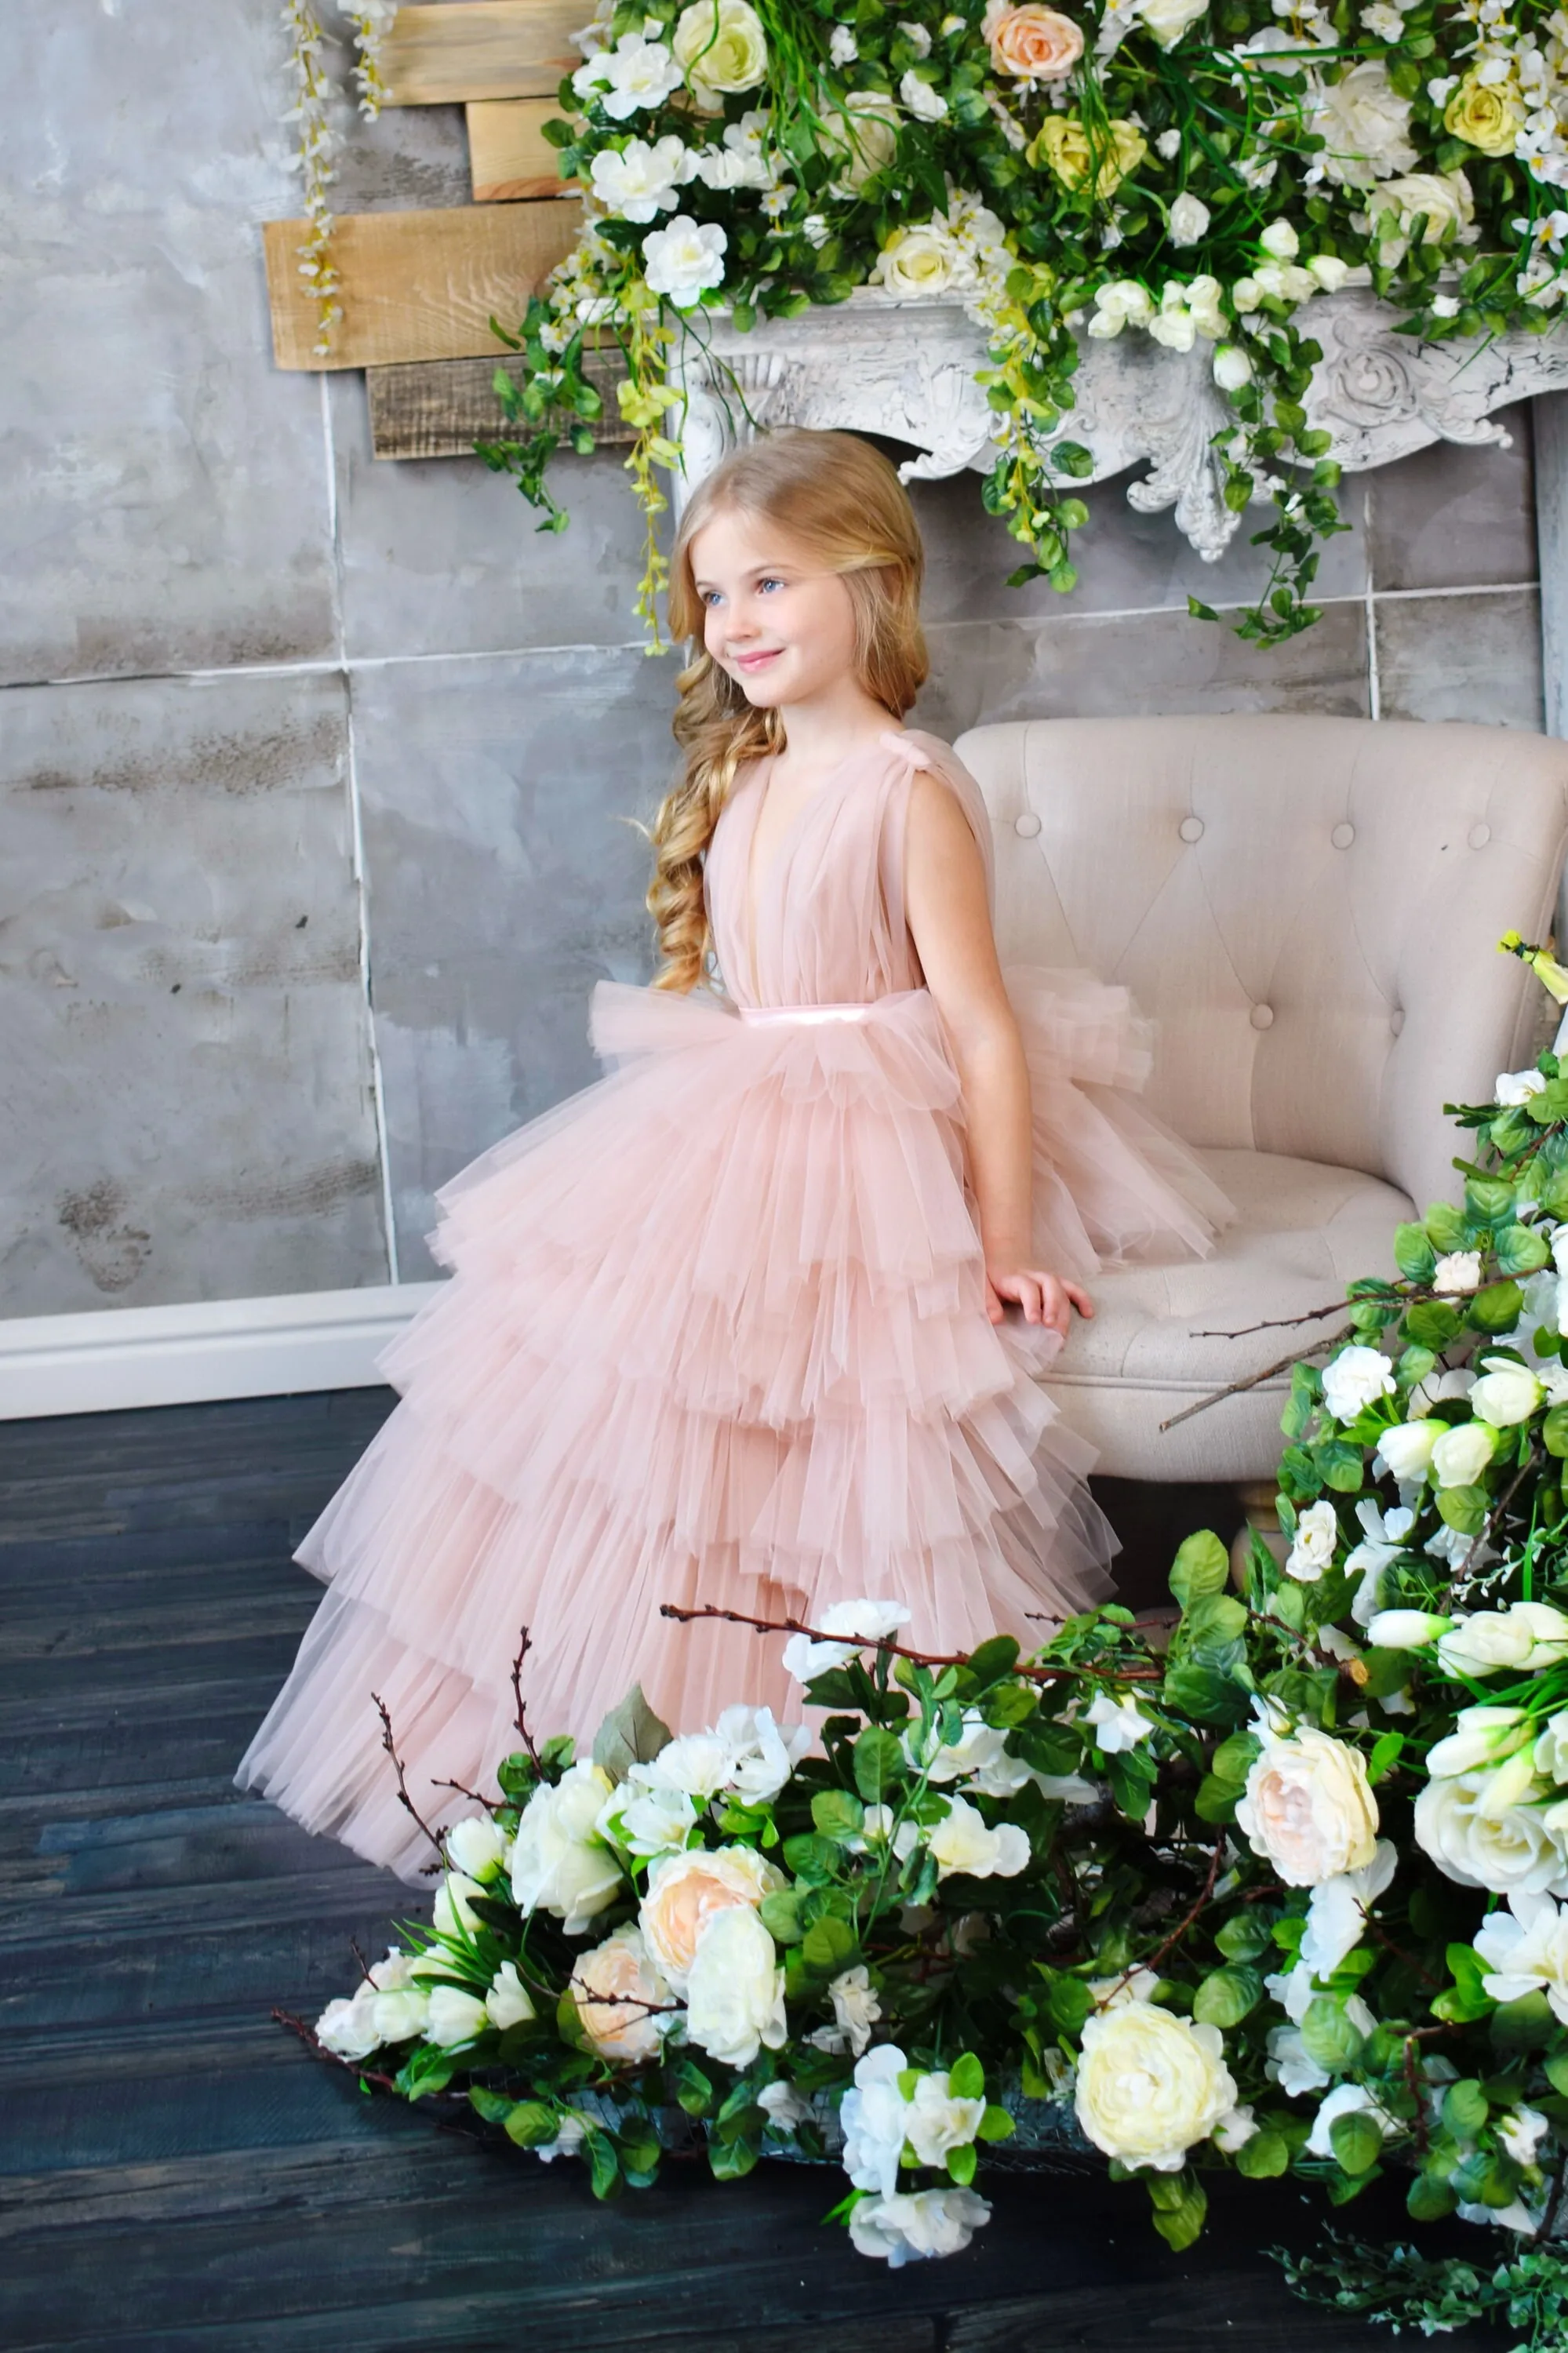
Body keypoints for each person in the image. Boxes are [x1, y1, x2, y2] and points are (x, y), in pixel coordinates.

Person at [236, 427, 1233, 1882]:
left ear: (871, 581)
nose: (739, 624)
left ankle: (864, 1753)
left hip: (879, 1149)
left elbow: (983, 1029)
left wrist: (1007, 1236)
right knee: (661, 1429)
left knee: (859, 1439)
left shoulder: (910, 784)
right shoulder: (747, 777)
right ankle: (646, 1730)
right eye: (715, 597)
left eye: (772, 583)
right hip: (737, 1130)